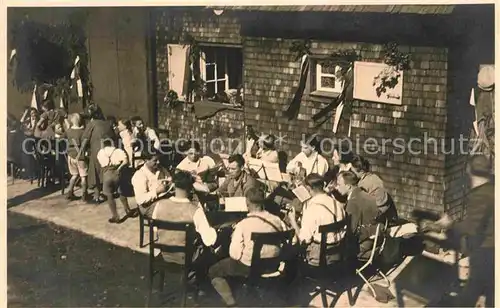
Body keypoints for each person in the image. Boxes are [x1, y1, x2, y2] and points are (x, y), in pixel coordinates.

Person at [208, 187, 289, 307]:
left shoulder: (243, 224)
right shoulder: (277, 220)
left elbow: (234, 255)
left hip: (249, 267)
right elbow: (287, 241)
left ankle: (232, 303)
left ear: (247, 204)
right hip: (273, 265)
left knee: (214, 271)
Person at [434, 155, 494, 307]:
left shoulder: (481, 195)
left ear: (469, 170)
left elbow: (472, 227)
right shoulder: (493, 188)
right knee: (491, 292)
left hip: (486, 252)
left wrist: (450, 224)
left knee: (471, 292)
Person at [152, 170, 217, 264]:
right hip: (186, 258)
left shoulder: (159, 205)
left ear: (173, 186)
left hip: (164, 253)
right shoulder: (195, 210)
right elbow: (209, 240)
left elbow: (155, 229)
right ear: (191, 188)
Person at [287, 173, 347, 266]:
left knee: (290, 251)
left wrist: (293, 221)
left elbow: (304, 239)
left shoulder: (312, 208)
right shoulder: (337, 203)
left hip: (320, 256)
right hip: (338, 252)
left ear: (308, 188)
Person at [335, 171, 379, 258]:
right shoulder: (362, 193)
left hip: (364, 243)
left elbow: (351, 230)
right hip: (375, 238)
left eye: (339, 184)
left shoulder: (353, 202)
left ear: (348, 186)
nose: (337, 187)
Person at [82, 103, 117, 204]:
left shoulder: (92, 124)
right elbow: (113, 136)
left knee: (95, 172)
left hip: (96, 150)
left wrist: (81, 151)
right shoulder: (107, 123)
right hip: (108, 150)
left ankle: (96, 196)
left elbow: (85, 139)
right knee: (105, 171)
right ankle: (107, 192)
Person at [97, 139, 139, 223]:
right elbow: (126, 161)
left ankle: (115, 216)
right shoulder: (118, 151)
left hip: (107, 173)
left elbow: (101, 163)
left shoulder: (101, 152)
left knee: (109, 195)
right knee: (121, 192)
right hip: (117, 172)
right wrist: (119, 168)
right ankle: (127, 209)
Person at [350, 155, 398, 222]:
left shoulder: (363, 183)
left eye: (353, 172)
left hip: (378, 215)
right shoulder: (374, 177)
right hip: (387, 211)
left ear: (361, 171)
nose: (352, 174)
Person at [131, 150, 172, 218]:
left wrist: (169, 184)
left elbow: (169, 179)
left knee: (181, 206)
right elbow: (140, 199)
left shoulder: (161, 169)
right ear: (146, 160)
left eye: (158, 159)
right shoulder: (140, 175)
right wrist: (157, 191)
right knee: (171, 213)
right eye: (155, 160)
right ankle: (159, 227)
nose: (158, 162)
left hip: (163, 199)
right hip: (148, 206)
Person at [64, 113, 89, 201]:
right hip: (80, 155)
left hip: (70, 155)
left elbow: (63, 138)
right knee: (83, 176)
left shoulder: (68, 131)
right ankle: (84, 194)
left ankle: (70, 192)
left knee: (74, 175)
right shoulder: (83, 131)